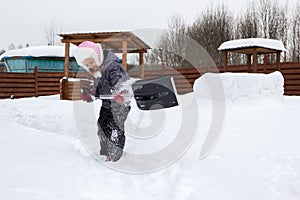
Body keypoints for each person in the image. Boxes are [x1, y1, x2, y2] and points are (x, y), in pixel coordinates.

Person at [74, 41, 131, 162]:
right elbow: (99, 87)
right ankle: (105, 153)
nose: (90, 65)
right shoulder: (96, 70)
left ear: (97, 56)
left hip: (120, 104)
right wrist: (91, 94)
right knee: (102, 125)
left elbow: (120, 82)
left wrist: (121, 92)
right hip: (107, 103)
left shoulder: (112, 66)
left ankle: (116, 156)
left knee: (115, 128)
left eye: (91, 61)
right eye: (87, 64)